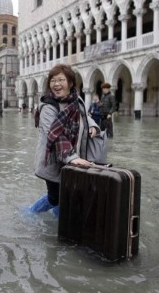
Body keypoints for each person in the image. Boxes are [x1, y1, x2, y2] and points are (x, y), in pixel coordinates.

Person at [28, 64, 99, 216]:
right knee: (55, 198)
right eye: (53, 81)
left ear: (71, 83)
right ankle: (28, 214)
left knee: (66, 196)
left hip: (74, 157)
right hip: (54, 160)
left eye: (61, 80)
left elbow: (85, 117)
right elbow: (53, 135)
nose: (56, 84)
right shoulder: (48, 106)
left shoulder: (76, 100)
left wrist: (93, 126)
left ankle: (58, 223)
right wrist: (72, 158)